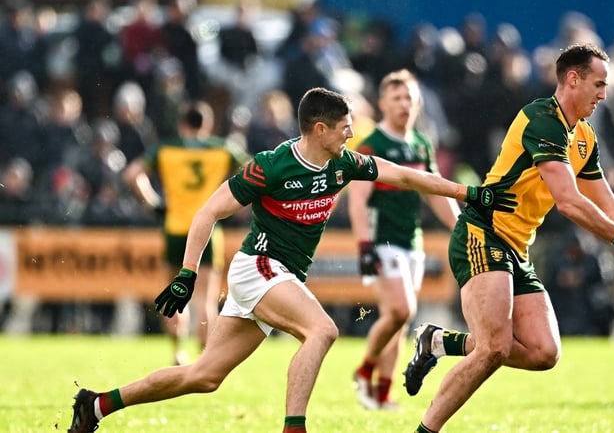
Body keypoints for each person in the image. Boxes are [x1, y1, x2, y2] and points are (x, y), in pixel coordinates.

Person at [68, 87, 516, 433]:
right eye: (344, 126)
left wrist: (468, 192)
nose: (350, 133)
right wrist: (187, 273)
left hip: (274, 275)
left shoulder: (344, 163)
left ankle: (97, 404)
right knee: (322, 330)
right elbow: (209, 211)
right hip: (258, 266)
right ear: (319, 129)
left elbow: (403, 175)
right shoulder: (271, 165)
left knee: (203, 376)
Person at [403, 43, 614, 433]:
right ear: (572, 79)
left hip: (516, 247)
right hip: (484, 232)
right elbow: (568, 202)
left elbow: (608, 202)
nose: (603, 94)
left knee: (544, 352)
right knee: (493, 348)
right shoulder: (541, 118)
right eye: (598, 84)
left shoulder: (585, 138)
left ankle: (436, 342)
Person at [349, 69, 460, 410]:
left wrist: (462, 226)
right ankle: (364, 368)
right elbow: (357, 199)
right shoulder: (372, 146)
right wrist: (364, 245)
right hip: (382, 242)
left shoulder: (422, 144)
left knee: (399, 320)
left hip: (412, 241)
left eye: (409, 97)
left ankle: (382, 393)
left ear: (419, 102)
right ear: (382, 103)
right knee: (401, 309)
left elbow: (437, 194)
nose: (403, 104)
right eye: (396, 98)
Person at [123, 102, 248, 365]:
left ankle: (178, 352)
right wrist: (236, 204)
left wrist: (153, 203)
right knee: (206, 298)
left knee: (174, 291)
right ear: (208, 125)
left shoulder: (166, 148)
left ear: (182, 124)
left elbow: (133, 174)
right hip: (208, 229)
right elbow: (253, 172)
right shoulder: (221, 149)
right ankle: (205, 359)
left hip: (175, 227)